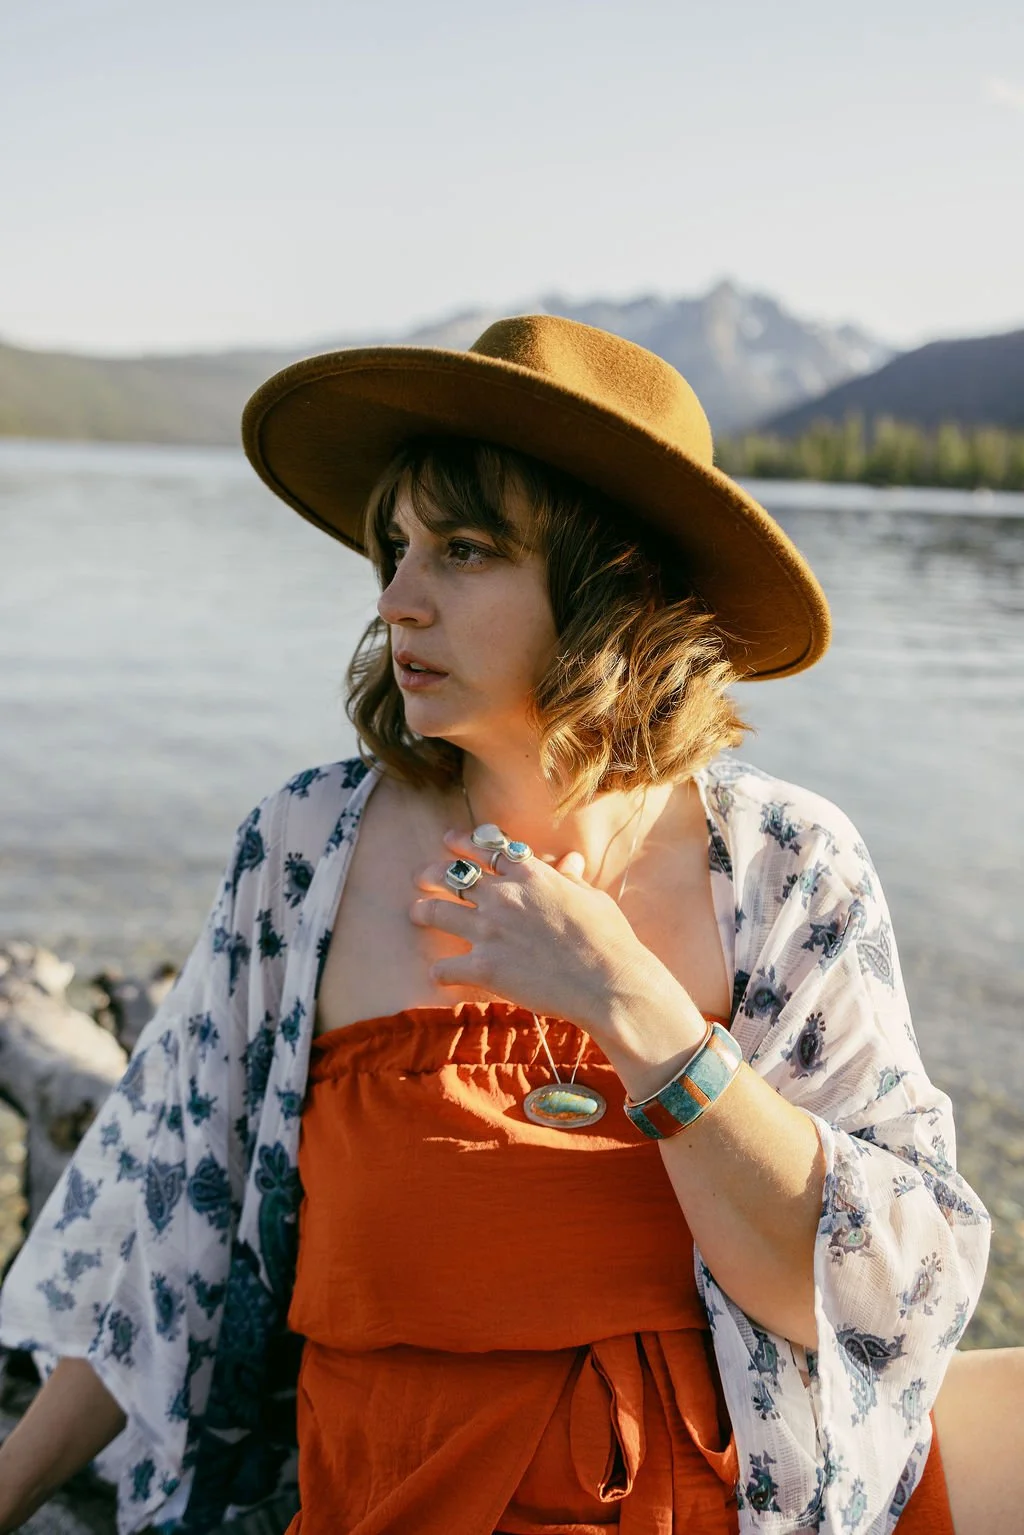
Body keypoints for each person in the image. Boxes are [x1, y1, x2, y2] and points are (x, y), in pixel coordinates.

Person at [0, 315, 1016, 1535]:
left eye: (464, 550)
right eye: (396, 546)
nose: (396, 599)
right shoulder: (305, 854)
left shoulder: (783, 865)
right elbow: (162, 1240)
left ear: (614, 583)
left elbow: (880, 1294)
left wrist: (631, 1005)